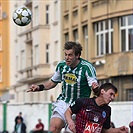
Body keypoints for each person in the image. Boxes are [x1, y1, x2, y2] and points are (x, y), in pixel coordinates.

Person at [27, 41, 99, 133]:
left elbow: (94, 86)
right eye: (65, 54)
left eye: (70, 55)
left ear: (77, 55)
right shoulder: (62, 66)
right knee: (53, 128)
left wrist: (95, 88)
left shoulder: (87, 67)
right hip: (64, 102)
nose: (67, 58)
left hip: (79, 106)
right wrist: (39, 87)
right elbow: (52, 83)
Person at [65, 83, 129, 133]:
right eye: (111, 94)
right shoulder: (83, 102)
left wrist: (118, 130)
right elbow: (68, 112)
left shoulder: (107, 110)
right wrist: (70, 122)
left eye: (114, 96)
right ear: (102, 91)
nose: (112, 98)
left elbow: (105, 130)